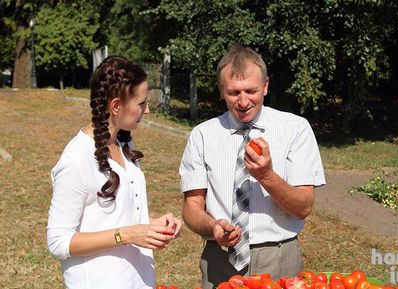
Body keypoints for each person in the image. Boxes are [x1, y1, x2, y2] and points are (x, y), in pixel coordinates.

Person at [179, 45, 325, 289]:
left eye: (251, 91)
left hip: (278, 259)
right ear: (221, 91)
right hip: (220, 258)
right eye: (234, 92)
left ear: (266, 86)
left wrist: (267, 176)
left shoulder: (295, 129)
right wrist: (213, 226)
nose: (244, 101)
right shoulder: (202, 135)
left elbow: (304, 207)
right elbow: (191, 208)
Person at [47, 56, 182, 289]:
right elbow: (58, 242)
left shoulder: (122, 144)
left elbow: (115, 215)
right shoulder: (75, 160)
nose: (147, 110)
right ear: (116, 106)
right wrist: (126, 235)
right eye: (141, 103)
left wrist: (153, 226)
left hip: (137, 280)